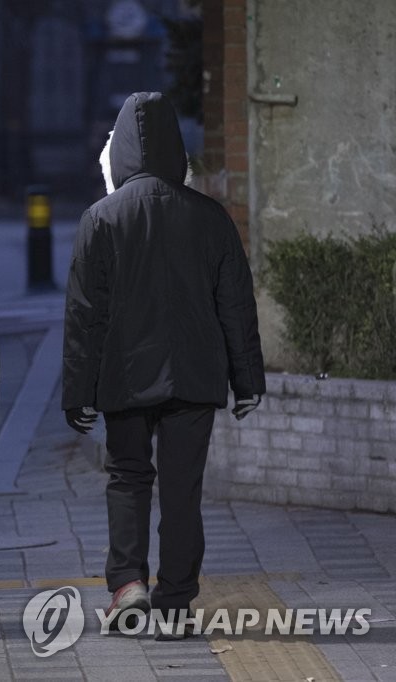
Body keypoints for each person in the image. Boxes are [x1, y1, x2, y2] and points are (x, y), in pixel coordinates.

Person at [61, 92, 266, 640]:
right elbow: (236, 305)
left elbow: (84, 315)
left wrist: (77, 390)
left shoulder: (101, 219)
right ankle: (175, 603)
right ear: (178, 148)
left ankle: (128, 585)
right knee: (182, 491)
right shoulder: (211, 217)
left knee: (128, 477)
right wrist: (247, 381)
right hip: (195, 377)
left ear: (121, 151)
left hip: (125, 376)